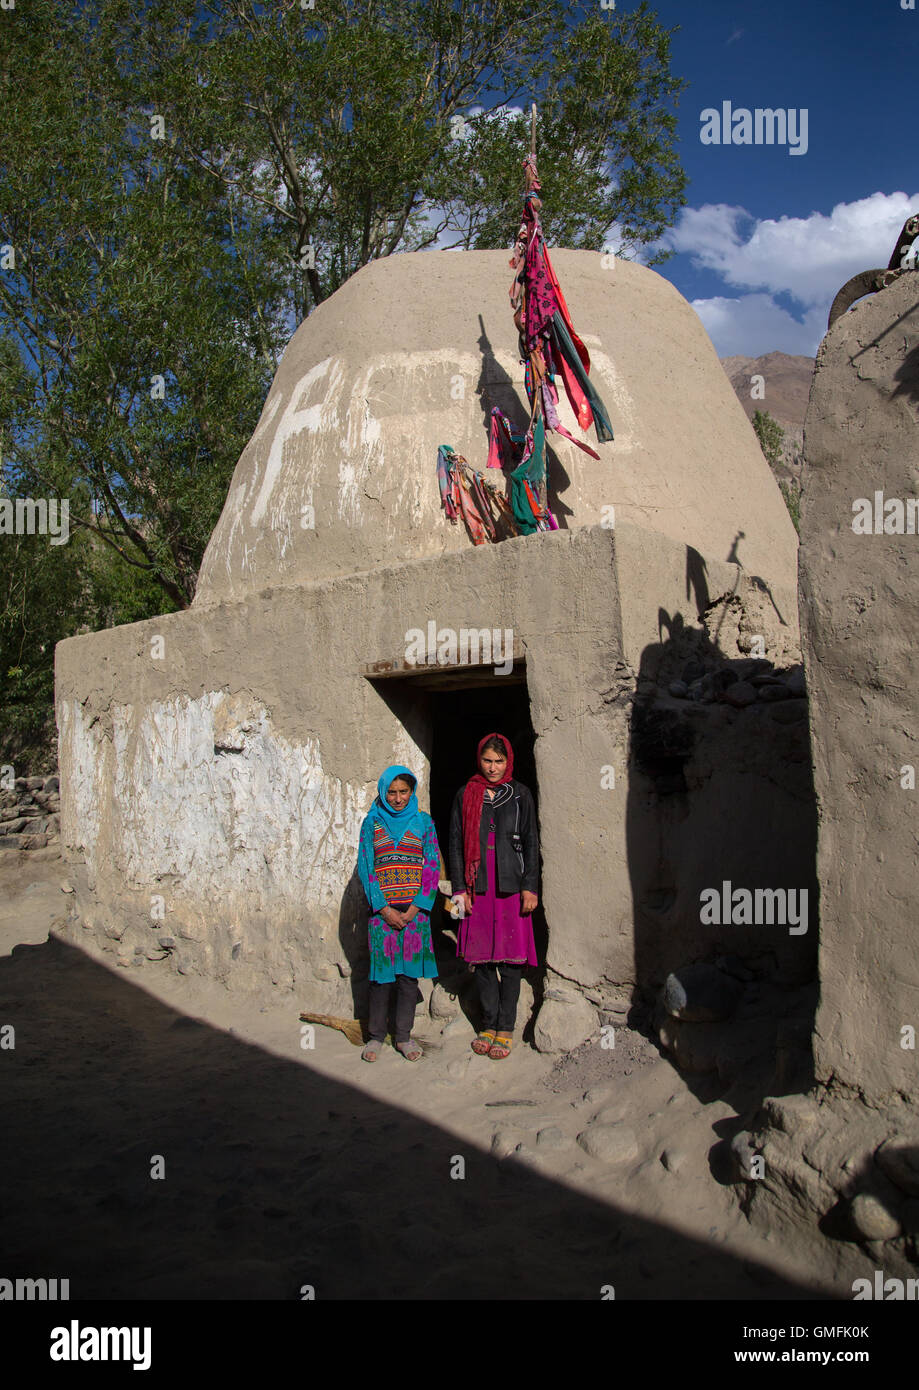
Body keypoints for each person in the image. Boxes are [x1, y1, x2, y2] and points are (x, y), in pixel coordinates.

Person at [449, 732, 539, 1059]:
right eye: (487, 760)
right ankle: (487, 1023)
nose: (492, 767)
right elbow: (456, 845)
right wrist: (459, 889)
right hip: (477, 887)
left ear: (508, 761)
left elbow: (530, 841)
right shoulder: (466, 794)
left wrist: (531, 886)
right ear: (479, 759)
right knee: (483, 961)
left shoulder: (520, 795)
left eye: (499, 761)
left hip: (512, 887)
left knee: (511, 962)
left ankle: (506, 1027)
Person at [356, 765, 441, 1062]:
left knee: (408, 978)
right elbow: (366, 868)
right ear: (382, 792)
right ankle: (376, 1036)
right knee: (382, 978)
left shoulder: (424, 823)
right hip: (382, 916)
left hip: (416, 917)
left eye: (403, 791)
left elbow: (431, 866)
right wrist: (384, 908)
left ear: (411, 791)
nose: (397, 798)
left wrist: (416, 907)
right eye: (391, 792)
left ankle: (403, 1036)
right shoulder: (372, 823)